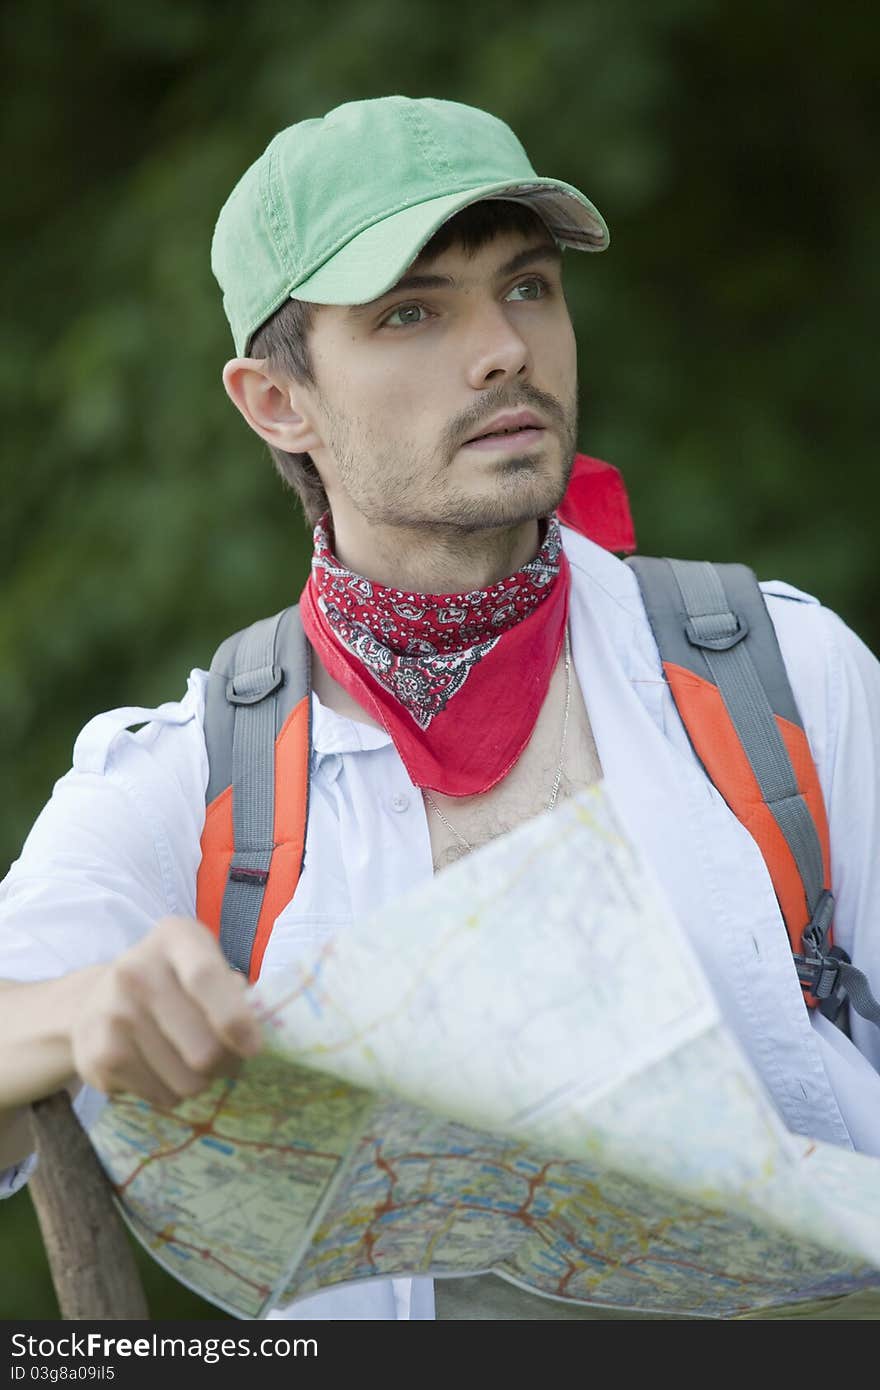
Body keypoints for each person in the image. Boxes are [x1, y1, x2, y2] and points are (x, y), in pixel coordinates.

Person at [1, 95, 879, 1323]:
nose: (505, 349)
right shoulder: (201, 778)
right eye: (413, 312)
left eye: (527, 287)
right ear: (275, 401)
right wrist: (78, 1002)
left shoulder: (778, 672)